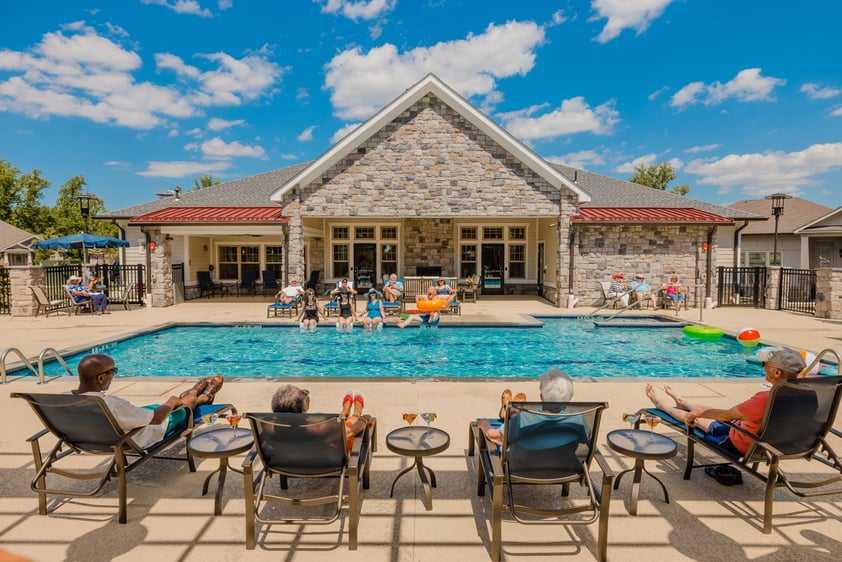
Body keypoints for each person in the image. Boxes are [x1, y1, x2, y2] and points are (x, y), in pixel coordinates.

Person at [644, 347, 806, 455]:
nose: (763, 367)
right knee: (714, 412)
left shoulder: (765, 399)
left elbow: (726, 416)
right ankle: (682, 401)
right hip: (779, 444)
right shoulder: (809, 395)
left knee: (699, 416)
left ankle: (662, 405)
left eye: (765, 364)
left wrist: (696, 414)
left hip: (742, 442)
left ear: (777, 372)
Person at [72, 353, 224, 450]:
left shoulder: (62, 400)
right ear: (101, 378)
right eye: (113, 371)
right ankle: (197, 397)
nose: (114, 375)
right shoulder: (112, 405)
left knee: (163, 406)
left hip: (91, 438)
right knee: (183, 408)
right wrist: (171, 402)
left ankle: (192, 395)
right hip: (137, 435)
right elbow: (157, 419)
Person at [477, 369, 586, 449]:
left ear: (541, 396)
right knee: (515, 422)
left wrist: (484, 424)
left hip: (520, 469)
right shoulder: (578, 421)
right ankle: (512, 411)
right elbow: (587, 440)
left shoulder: (523, 420)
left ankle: (511, 410)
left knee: (514, 424)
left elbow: (495, 437)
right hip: (565, 470)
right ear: (568, 399)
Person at [271, 384, 368, 447]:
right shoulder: (319, 430)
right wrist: (365, 420)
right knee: (350, 423)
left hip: (287, 463)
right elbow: (352, 430)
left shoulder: (268, 428)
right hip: (326, 461)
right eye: (303, 394)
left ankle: (344, 412)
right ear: (303, 408)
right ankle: (355, 413)